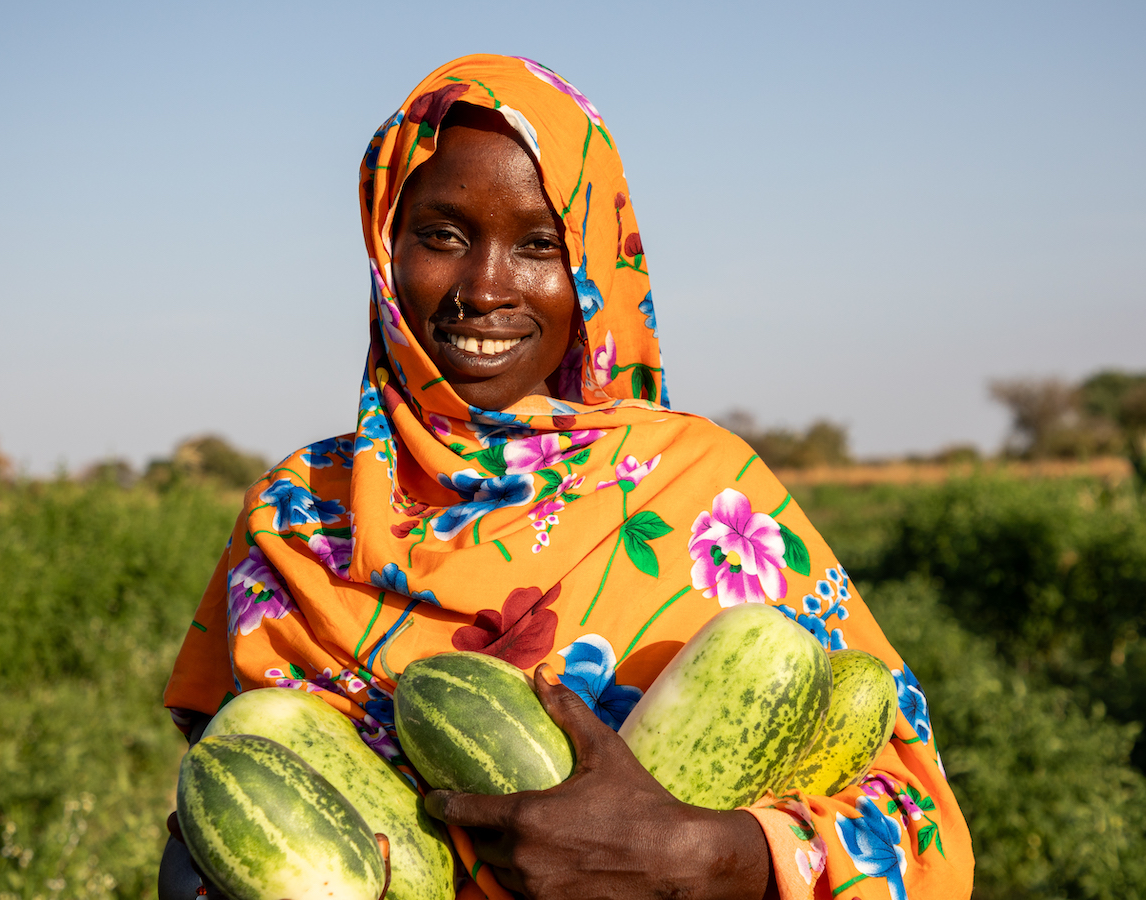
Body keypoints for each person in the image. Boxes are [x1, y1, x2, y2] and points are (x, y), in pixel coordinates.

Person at [161, 54, 974, 900]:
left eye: (540, 244)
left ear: (594, 271)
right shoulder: (295, 515)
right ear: (384, 250)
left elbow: (923, 834)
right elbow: (217, 810)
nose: (484, 287)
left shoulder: (706, 491)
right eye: (442, 235)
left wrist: (710, 858)